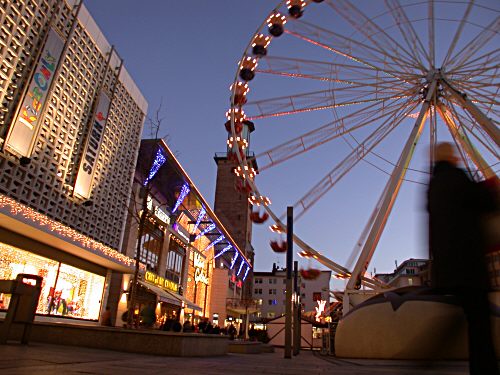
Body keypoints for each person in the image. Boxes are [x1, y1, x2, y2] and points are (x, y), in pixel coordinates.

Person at [427, 142, 498, 375]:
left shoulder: (434, 186)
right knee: (478, 321)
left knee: (462, 316)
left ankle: (430, 357)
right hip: (469, 264)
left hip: (448, 267)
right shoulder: (458, 179)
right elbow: (486, 203)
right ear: (453, 158)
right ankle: (482, 368)